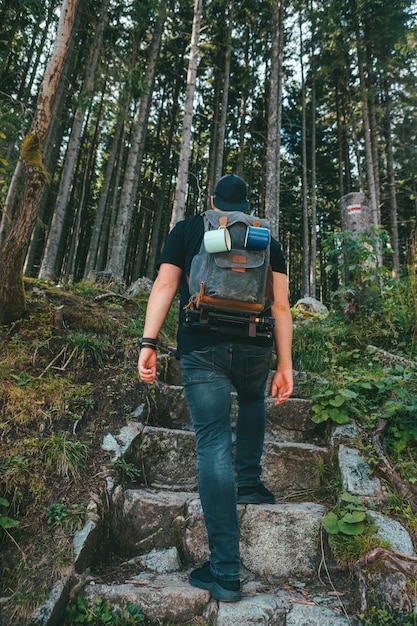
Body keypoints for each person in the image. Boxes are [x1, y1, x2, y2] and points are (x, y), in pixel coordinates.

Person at [138, 174, 293, 602]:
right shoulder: (266, 240)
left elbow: (166, 285)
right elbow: (280, 306)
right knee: (251, 400)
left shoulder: (189, 229)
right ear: (246, 204)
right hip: (255, 346)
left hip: (202, 344)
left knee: (211, 443)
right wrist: (286, 365)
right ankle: (249, 482)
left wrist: (148, 343)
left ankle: (225, 571)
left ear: (212, 202)